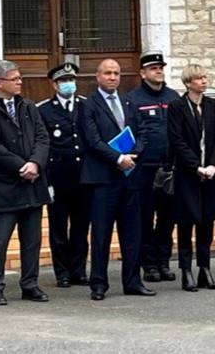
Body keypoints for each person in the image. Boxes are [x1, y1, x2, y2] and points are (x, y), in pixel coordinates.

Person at [0, 60, 51, 305]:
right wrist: (21, 166)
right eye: (14, 78)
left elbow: (42, 137)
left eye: (19, 78)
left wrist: (36, 163)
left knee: (32, 239)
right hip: (4, 184)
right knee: (0, 238)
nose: (20, 82)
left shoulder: (28, 107)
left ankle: (30, 283)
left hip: (32, 182)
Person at [80, 58, 152, 301]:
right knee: (101, 233)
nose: (113, 77)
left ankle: (132, 280)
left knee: (132, 232)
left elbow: (142, 131)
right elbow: (93, 140)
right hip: (103, 178)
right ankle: (98, 283)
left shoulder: (128, 101)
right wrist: (117, 158)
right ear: (98, 77)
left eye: (117, 73)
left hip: (129, 177)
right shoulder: (89, 105)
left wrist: (134, 153)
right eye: (108, 73)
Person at [167, 64, 215, 292]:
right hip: (188, 173)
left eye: (205, 77)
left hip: (210, 173)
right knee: (186, 223)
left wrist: (214, 164)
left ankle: (205, 268)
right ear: (188, 82)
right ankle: (186, 270)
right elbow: (177, 140)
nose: (204, 81)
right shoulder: (176, 107)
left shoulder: (213, 106)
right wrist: (196, 166)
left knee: (207, 222)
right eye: (199, 78)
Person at [36, 62, 91, 287]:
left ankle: (79, 270)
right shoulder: (44, 110)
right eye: (64, 81)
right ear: (55, 85)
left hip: (83, 177)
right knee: (58, 228)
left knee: (81, 227)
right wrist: (46, 181)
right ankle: (63, 272)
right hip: (58, 178)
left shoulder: (85, 106)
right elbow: (43, 146)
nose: (69, 84)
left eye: (71, 80)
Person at [127, 52, 180, 283]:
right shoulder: (133, 98)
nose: (158, 71)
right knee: (145, 217)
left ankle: (163, 260)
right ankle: (148, 264)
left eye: (160, 67)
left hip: (169, 166)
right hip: (144, 168)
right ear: (143, 73)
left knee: (168, 218)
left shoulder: (173, 96)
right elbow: (131, 132)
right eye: (153, 68)